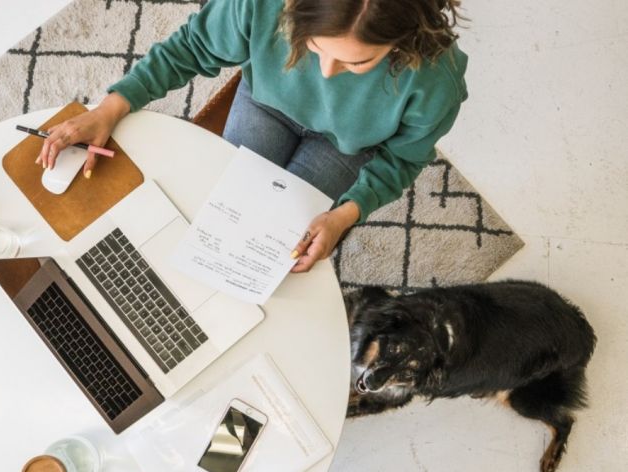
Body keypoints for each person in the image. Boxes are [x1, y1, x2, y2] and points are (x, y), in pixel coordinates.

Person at [36, 0, 467, 273]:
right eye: (315, 48)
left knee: (274, 255)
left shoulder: (435, 83)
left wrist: (345, 216)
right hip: (266, 104)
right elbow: (190, 47)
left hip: (346, 147)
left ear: (402, 42)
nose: (327, 73)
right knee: (212, 220)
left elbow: (403, 160)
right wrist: (110, 108)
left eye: (357, 63)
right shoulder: (264, 4)